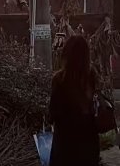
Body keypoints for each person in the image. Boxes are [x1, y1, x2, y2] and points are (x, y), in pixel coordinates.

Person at [49, 34, 100, 166]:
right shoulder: (92, 76)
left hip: (65, 142)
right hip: (88, 141)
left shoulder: (59, 80)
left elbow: (53, 113)